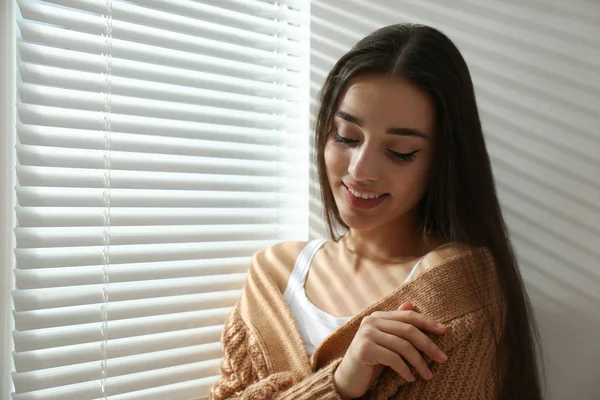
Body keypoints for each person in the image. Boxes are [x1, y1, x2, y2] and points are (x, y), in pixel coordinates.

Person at [209, 23, 543, 400]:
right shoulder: (273, 274)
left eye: (400, 151)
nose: (359, 170)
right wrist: (338, 383)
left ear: (443, 162)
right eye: (346, 137)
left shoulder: (453, 294)